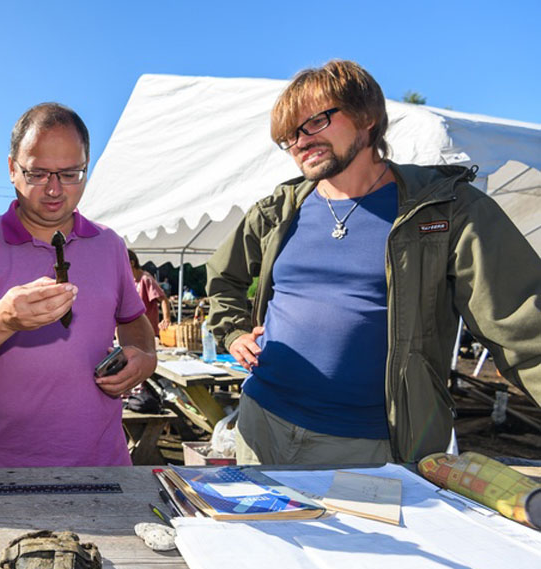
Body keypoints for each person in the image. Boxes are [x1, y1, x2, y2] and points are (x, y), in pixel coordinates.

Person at [206, 59, 541, 466]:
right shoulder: (279, 210)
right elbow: (222, 277)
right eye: (290, 136)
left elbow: (524, 330)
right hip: (262, 426)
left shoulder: (444, 209)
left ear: (366, 117)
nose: (300, 142)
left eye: (314, 122)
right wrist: (234, 331)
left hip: (371, 447)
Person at [0, 102, 157, 469]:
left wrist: (143, 360)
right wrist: (3, 318)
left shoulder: (110, 245)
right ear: (11, 169)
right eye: (37, 174)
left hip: (103, 466)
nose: (54, 190)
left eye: (70, 174)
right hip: (0, 474)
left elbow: (134, 322)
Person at [128, 249, 171, 336]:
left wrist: (166, 319)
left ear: (132, 263)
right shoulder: (131, 281)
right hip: (136, 331)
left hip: (148, 332)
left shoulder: (146, 279)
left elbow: (163, 299)